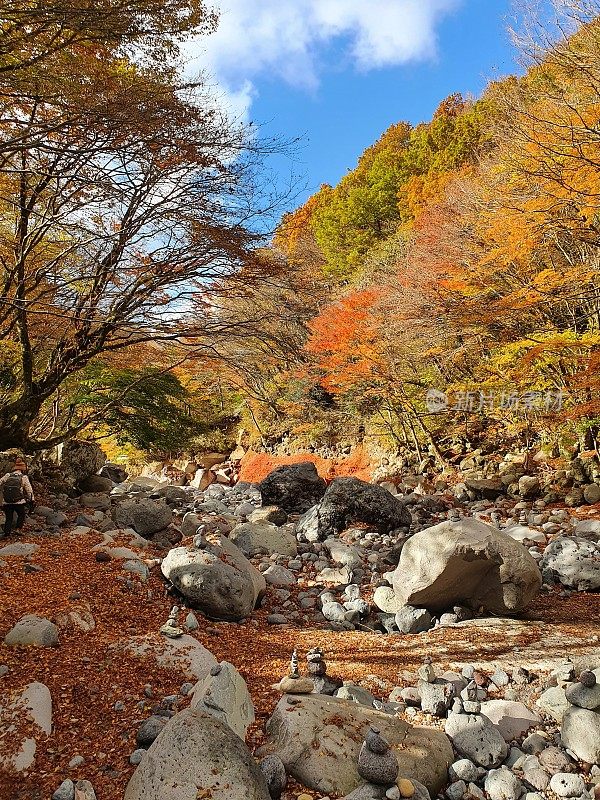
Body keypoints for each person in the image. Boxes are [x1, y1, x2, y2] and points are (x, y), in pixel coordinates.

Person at [0, 457, 35, 538]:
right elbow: (29, 490)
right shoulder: (24, 477)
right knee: (21, 514)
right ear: (22, 469)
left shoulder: (8, 475)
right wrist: (32, 499)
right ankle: (18, 529)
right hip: (18, 501)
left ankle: (7, 533)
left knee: (9, 517)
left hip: (7, 501)